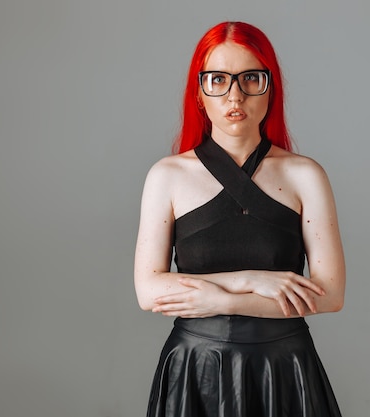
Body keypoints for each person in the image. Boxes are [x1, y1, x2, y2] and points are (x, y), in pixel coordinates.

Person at [134, 21, 346, 417]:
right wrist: (248, 281)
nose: (235, 95)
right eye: (218, 79)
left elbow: (330, 295)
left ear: (271, 88)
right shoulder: (167, 176)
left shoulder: (305, 175)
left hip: (284, 366)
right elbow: (149, 291)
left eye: (250, 78)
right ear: (199, 92)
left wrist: (218, 299)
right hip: (194, 369)